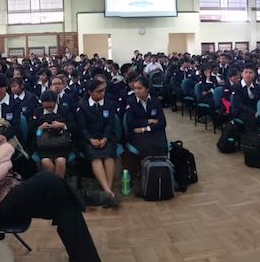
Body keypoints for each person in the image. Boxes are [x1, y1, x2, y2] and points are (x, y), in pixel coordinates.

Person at [0, 88, 101, 262]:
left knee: (66, 205)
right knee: (47, 179)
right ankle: (85, 196)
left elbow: (8, 144)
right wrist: (3, 162)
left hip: (9, 189)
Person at [74, 79, 119, 207]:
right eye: (98, 91)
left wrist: (105, 138)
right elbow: (82, 127)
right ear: (90, 93)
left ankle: (107, 191)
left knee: (109, 157)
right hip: (89, 140)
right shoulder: (82, 105)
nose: (102, 94)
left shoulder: (109, 103)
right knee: (96, 159)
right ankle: (109, 192)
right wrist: (90, 139)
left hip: (107, 138)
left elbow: (110, 123)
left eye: (103, 90)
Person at [123, 77, 167, 181]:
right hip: (137, 135)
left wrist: (145, 128)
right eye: (135, 88)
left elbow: (162, 123)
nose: (136, 91)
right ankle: (147, 176)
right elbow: (131, 123)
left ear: (147, 89)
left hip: (152, 132)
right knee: (148, 146)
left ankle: (163, 176)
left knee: (161, 145)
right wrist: (148, 121)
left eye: (139, 88)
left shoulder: (155, 101)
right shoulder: (131, 102)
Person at [32, 91, 72, 178]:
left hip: (61, 144)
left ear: (55, 102)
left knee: (60, 161)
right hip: (44, 145)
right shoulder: (37, 111)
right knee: (46, 162)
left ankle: (58, 186)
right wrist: (40, 128)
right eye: (46, 107)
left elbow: (74, 126)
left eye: (51, 106)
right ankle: (52, 185)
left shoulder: (64, 110)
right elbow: (31, 130)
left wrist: (62, 125)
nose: (48, 109)